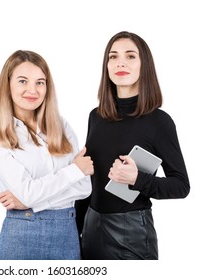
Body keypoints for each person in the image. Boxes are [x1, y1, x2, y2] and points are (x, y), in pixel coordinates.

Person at [75, 31, 190, 260]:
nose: (120, 63)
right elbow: (91, 182)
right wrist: (75, 229)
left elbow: (181, 186)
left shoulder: (159, 121)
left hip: (131, 233)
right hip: (90, 227)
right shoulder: (95, 117)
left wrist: (137, 179)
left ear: (143, 65)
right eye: (113, 56)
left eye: (130, 56)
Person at [0, 50, 93, 260]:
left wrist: (32, 201)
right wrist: (74, 171)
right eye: (23, 81)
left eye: (40, 82)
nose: (32, 90)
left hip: (66, 234)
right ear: (8, 85)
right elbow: (29, 193)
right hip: (21, 234)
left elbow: (84, 187)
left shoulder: (61, 127)